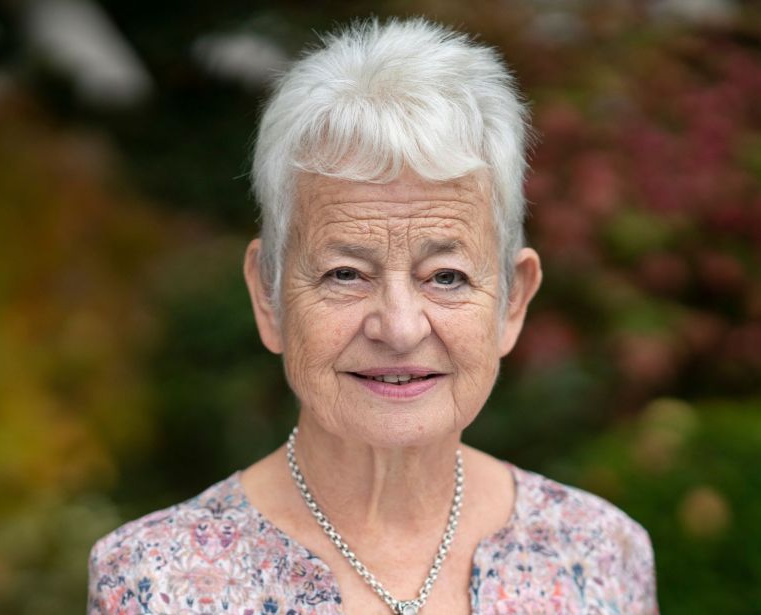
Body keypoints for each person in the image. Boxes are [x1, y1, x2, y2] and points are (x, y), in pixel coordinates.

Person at [88, 17, 657, 615]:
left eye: (445, 276)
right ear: (269, 295)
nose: (400, 327)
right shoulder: (155, 581)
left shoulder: (600, 554)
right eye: (345, 274)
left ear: (512, 301)